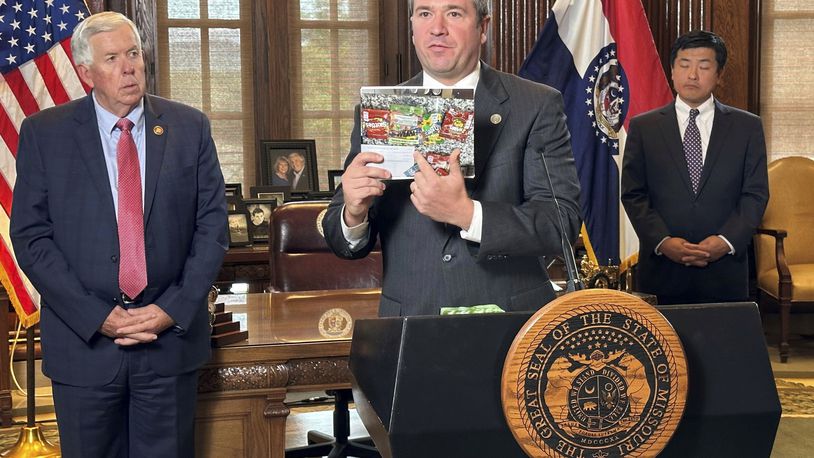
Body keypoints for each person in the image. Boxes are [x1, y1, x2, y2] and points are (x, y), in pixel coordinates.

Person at [10, 12, 228, 457]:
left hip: (168, 344)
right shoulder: (44, 134)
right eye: (113, 58)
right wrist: (96, 316)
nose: (129, 68)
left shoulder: (189, 127)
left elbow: (212, 228)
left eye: (133, 54)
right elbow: (31, 237)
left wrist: (172, 308)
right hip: (84, 349)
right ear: (86, 72)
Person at [322, 0, 581, 316]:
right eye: (425, 13)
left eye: (454, 13)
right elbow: (343, 240)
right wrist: (353, 211)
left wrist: (467, 214)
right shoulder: (378, 112)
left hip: (512, 326)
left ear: (482, 28)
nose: (437, 28)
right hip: (411, 323)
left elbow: (561, 223)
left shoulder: (537, 105)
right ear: (413, 27)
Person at [621, 30, 768, 305]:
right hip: (663, 269)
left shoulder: (747, 127)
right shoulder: (644, 127)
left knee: (724, 347)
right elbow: (634, 194)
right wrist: (663, 241)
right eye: (684, 64)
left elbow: (755, 194)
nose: (692, 75)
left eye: (704, 66)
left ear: (719, 74)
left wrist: (725, 241)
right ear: (672, 71)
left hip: (725, 270)